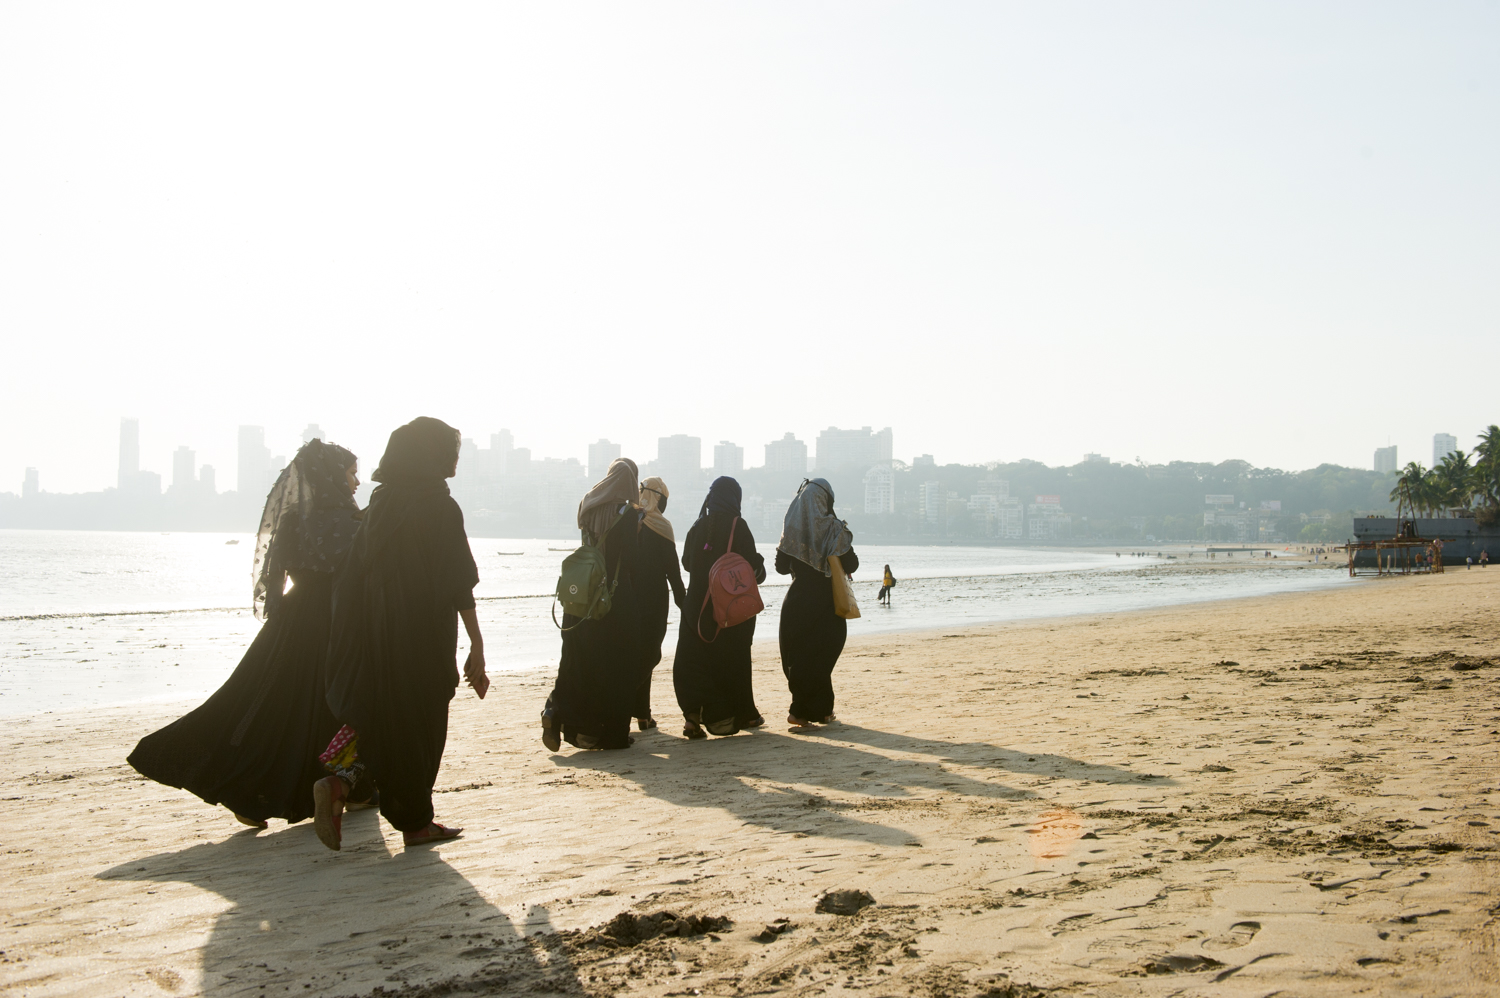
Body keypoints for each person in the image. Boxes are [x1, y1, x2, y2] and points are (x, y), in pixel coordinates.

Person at [127, 439, 367, 829]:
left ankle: (256, 797)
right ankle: (345, 790)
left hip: (292, 621)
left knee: (267, 706)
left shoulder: (295, 519)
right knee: (328, 706)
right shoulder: (348, 522)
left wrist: (280, 617)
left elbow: (274, 577)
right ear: (332, 476)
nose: (356, 481)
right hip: (332, 624)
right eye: (351, 472)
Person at [320, 417, 486, 850]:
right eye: (449, 450)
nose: (454, 458)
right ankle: (415, 822)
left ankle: (340, 785)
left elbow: (350, 577)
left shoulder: (378, 507)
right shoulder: (439, 506)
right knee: (423, 725)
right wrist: (477, 644)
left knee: (388, 720)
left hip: (378, 636)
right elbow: (458, 583)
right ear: (427, 455)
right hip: (423, 634)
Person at [541, 458, 642, 752]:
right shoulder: (627, 513)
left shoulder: (587, 504)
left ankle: (563, 718)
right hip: (613, 599)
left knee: (580, 661)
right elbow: (632, 561)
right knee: (619, 664)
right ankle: (612, 735)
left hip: (581, 596)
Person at [672, 477, 767, 738]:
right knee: (732, 659)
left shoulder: (697, 526)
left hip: (695, 607)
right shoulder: (739, 525)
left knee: (692, 661)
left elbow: (687, 563)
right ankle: (739, 714)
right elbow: (754, 570)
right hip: (726, 608)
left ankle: (692, 718)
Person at [775, 478, 858, 728]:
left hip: (798, 600)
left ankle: (820, 711)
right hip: (827, 603)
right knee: (822, 657)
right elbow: (852, 564)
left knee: (798, 656)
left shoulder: (791, 528)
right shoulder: (834, 529)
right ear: (826, 501)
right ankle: (801, 710)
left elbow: (780, 568)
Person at [634, 476, 685, 730]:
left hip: (627, 599)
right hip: (653, 600)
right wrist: (685, 605)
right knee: (650, 653)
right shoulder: (662, 527)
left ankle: (643, 714)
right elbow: (673, 573)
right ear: (659, 498)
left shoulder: (629, 522)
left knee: (635, 653)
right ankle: (630, 704)